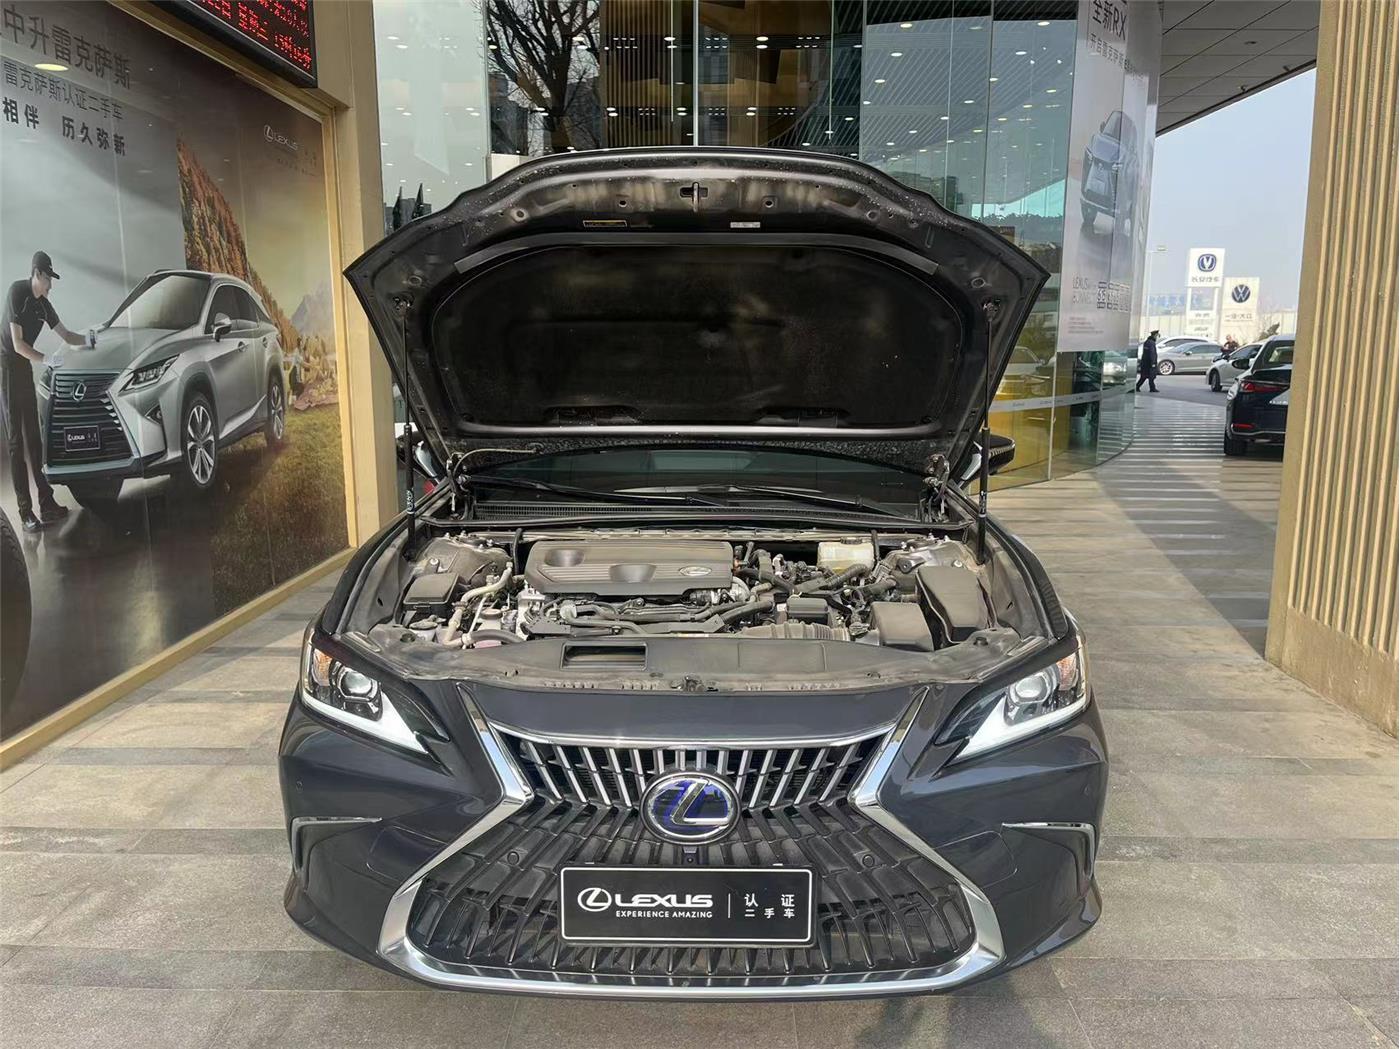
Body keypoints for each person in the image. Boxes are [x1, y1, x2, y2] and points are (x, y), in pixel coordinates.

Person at [2, 252, 89, 531]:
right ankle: (25, 512)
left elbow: (68, 335)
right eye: (49, 278)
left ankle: (47, 503)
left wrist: (90, 340)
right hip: (6, 365)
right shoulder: (17, 292)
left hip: (23, 366)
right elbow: (18, 344)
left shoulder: (44, 305)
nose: (51, 284)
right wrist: (47, 359)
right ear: (37, 274)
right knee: (16, 442)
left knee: (34, 437)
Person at [1135, 329, 1159, 393]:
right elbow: (1152, 353)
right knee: (1150, 376)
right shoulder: (1151, 343)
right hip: (1149, 363)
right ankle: (1152, 388)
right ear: (1155, 335)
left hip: (1145, 362)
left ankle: (1139, 387)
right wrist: (1153, 362)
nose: (1157, 337)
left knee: (1144, 376)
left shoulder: (1147, 342)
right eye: (1157, 336)